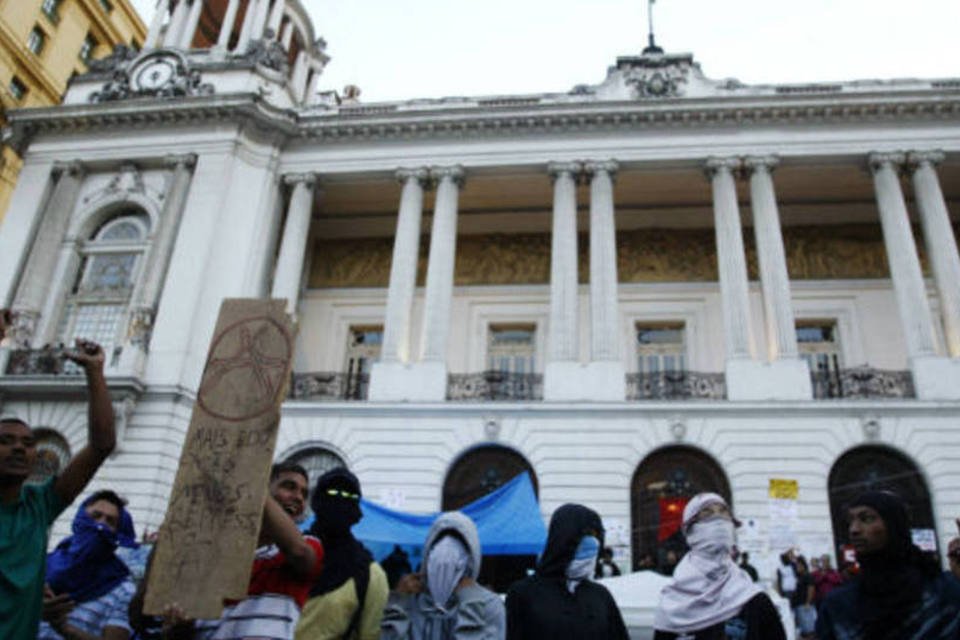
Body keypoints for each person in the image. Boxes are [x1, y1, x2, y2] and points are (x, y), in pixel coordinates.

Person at [0, 336, 115, 639]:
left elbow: (102, 446)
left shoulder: (38, 506)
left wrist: (95, 373)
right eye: (5, 441)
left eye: (27, 443)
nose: (18, 449)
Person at [190, 462, 324, 640]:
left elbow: (299, 553)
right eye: (289, 487)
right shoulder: (213, 556)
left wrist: (254, 486)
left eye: (304, 494)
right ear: (265, 488)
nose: (299, 498)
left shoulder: (309, 545)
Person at [817, 490, 960, 639]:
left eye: (866, 519)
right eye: (850, 521)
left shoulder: (942, 590)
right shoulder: (838, 606)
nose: (854, 529)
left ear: (894, 525)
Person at [653, 493, 786, 640]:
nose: (718, 519)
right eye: (707, 513)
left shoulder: (753, 598)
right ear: (690, 530)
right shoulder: (674, 601)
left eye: (724, 512)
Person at [505, 503, 628, 640]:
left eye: (595, 535)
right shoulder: (524, 593)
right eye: (585, 534)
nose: (592, 542)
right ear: (562, 538)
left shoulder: (601, 595)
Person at [295, 468, 387, 640]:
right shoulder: (285, 553)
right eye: (333, 492)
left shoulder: (370, 574)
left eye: (349, 497)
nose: (340, 500)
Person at [381, 511, 505, 639]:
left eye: (455, 568)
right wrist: (398, 603)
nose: (445, 571)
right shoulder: (411, 599)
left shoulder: (488, 605)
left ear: (469, 561)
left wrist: (471, 606)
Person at [38, 490, 139, 639]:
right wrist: (33, 609)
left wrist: (64, 628)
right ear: (80, 519)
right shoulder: (39, 569)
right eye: (96, 516)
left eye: (110, 521)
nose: (100, 526)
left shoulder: (122, 590)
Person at [791, 555, 817, 639]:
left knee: (809, 628)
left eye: (798, 565)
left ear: (803, 565)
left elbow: (811, 589)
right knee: (803, 629)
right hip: (799, 604)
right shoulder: (799, 577)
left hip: (805, 604)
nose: (797, 567)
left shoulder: (808, 576)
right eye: (796, 566)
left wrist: (808, 602)